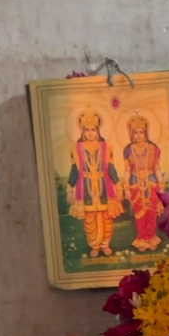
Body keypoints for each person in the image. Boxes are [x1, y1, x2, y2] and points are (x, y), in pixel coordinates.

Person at [67, 107, 123, 258]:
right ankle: (94, 245)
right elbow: (74, 169)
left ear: (98, 131)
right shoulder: (75, 149)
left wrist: (118, 186)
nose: (90, 132)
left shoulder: (107, 148)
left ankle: (104, 245)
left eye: (93, 129)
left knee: (106, 218)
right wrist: (69, 188)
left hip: (105, 188)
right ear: (82, 132)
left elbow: (111, 168)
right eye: (87, 130)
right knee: (89, 220)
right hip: (85, 189)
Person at [123, 114, 163, 251]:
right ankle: (141, 239)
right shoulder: (128, 150)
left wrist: (161, 184)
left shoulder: (153, 148)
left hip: (151, 183)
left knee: (151, 213)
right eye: (136, 132)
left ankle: (151, 238)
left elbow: (157, 167)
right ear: (131, 134)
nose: (139, 135)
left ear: (146, 133)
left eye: (141, 132)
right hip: (135, 185)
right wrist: (126, 187)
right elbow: (127, 169)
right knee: (139, 214)